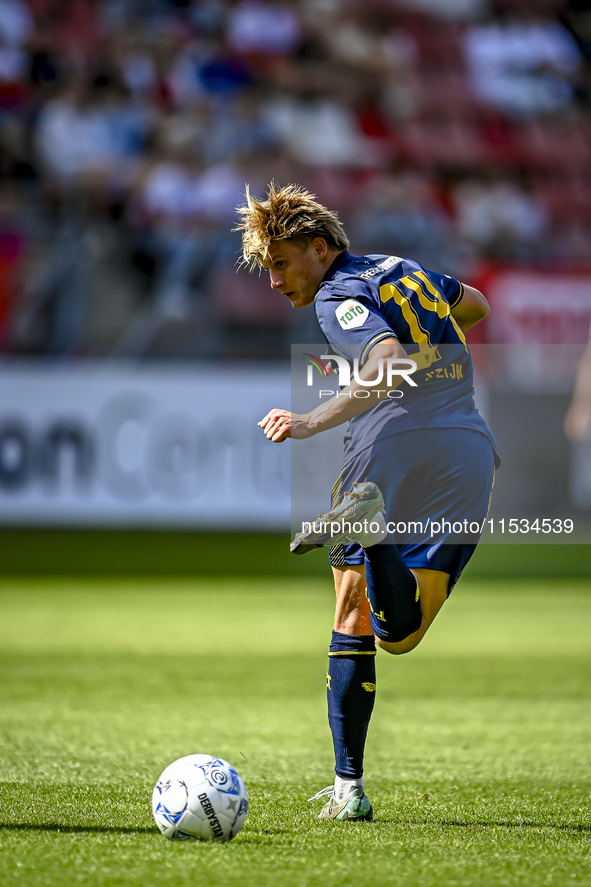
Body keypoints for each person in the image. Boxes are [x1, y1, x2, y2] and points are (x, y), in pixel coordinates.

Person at [235, 182, 499, 822]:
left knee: (354, 617)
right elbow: (479, 306)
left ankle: (349, 790)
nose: (274, 282)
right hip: (464, 447)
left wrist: (310, 421)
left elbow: (384, 362)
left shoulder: (337, 294)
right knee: (401, 634)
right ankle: (374, 533)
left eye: (279, 263)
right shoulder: (402, 271)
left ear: (318, 249)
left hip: (387, 446)